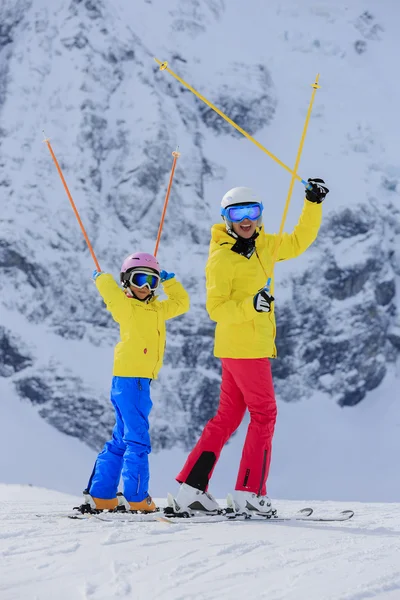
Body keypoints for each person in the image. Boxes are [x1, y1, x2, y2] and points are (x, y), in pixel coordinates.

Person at [173, 178, 329, 515]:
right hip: (244, 347)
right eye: (237, 213)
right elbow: (216, 309)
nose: (246, 220)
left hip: (242, 347)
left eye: (252, 212)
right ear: (226, 218)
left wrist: (312, 204)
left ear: (260, 216)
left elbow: (300, 241)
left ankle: (190, 488)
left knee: (227, 417)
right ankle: (249, 492)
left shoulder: (265, 246)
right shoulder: (221, 259)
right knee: (265, 414)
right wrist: (250, 306)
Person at [78, 252, 189, 513]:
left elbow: (182, 303)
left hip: (133, 381)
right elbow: (111, 294)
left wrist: (170, 282)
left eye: (152, 281)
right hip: (132, 382)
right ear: (126, 281)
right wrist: (104, 279)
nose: (145, 287)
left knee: (121, 438)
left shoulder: (159, 308)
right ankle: (137, 498)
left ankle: (102, 494)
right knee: (137, 439)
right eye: (139, 279)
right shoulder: (125, 307)